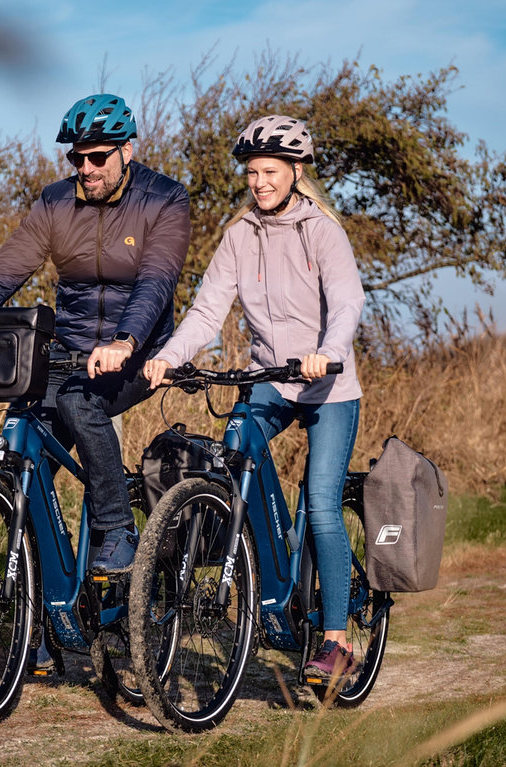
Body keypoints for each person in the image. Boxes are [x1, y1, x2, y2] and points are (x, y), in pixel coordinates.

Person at [0, 93, 190, 580]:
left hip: (138, 353)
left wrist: (125, 341)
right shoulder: (56, 202)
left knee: (80, 403)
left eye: (98, 157)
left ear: (128, 150)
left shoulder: (165, 199)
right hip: (69, 352)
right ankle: (46, 609)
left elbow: (155, 283)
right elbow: (0, 276)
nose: (86, 168)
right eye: (76, 158)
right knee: (25, 449)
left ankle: (116, 528)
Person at [144, 115, 365, 682]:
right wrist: (170, 356)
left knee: (320, 504)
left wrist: (329, 350)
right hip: (267, 377)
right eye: (251, 172)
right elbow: (207, 311)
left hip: (327, 384)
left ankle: (336, 639)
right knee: (232, 460)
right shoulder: (240, 233)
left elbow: (346, 303)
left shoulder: (322, 231)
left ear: (295, 172)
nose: (259, 182)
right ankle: (271, 585)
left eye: (269, 171)